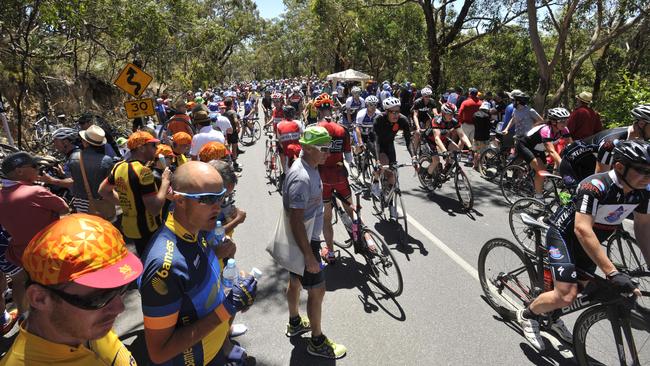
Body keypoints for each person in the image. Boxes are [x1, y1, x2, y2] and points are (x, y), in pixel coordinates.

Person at [518, 140, 650, 351]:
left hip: (589, 243)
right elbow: (582, 230)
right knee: (567, 294)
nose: (647, 177)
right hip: (564, 236)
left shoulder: (642, 192)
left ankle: (552, 314)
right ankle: (528, 314)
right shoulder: (595, 186)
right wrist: (612, 272)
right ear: (619, 167)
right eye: (642, 171)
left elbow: (643, 229)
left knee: (590, 290)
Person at [138, 161, 258, 365]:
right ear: (180, 199)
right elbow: (159, 352)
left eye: (221, 196)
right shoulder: (164, 266)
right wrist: (228, 307)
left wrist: (235, 288)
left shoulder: (197, 229)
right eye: (208, 199)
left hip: (215, 349)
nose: (218, 205)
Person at [0, 214, 141, 365]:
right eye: (100, 297)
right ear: (39, 298)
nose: (119, 307)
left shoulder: (86, 326)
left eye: (121, 288)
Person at [282, 126, 347, 359]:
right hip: (306, 240)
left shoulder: (311, 166)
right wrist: (309, 255)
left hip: (300, 239)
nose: (328, 153)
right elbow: (296, 219)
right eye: (323, 148)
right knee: (317, 291)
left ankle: (295, 322)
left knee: (294, 280)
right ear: (307, 148)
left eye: (330, 148)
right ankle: (317, 342)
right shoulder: (302, 176)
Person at [0, 152, 70, 320]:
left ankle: (26, 316)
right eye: (34, 167)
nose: (37, 170)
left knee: (26, 283)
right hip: (49, 250)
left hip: (22, 254)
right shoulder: (35, 191)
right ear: (19, 171)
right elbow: (64, 208)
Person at [98, 131, 169, 255]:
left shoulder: (118, 166)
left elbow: (103, 191)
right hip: (149, 228)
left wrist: (128, 203)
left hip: (130, 228)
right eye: (152, 146)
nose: (156, 149)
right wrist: (165, 182)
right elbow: (154, 209)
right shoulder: (143, 171)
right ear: (141, 148)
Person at [317, 104, 354, 264]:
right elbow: (348, 156)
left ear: (318, 112)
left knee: (326, 218)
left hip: (323, 177)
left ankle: (330, 253)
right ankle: (363, 238)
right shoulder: (341, 129)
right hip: (340, 175)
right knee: (350, 209)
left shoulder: (316, 129)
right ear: (331, 112)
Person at [371, 97, 414, 218]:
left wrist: (414, 157)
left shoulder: (403, 120)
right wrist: (378, 161)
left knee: (392, 175)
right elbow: (376, 141)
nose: (395, 114)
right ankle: (375, 182)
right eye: (392, 112)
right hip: (376, 143)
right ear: (386, 111)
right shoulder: (379, 119)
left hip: (389, 144)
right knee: (383, 165)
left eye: (397, 111)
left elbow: (408, 140)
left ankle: (390, 204)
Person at [516, 107, 572, 198]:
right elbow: (551, 151)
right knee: (541, 170)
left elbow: (571, 145)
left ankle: (533, 181)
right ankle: (538, 196)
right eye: (562, 121)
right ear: (554, 122)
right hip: (524, 146)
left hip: (538, 148)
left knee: (543, 170)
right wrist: (563, 166)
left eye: (566, 120)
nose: (565, 123)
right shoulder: (546, 130)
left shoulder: (564, 129)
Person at [65, 125, 115, 214]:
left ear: (85, 142)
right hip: (102, 204)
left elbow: (73, 179)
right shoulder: (107, 161)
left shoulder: (73, 158)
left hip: (80, 204)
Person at [419, 102, 472, 182]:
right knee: (436, 160)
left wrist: (471, 147)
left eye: (453, 114)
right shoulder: (437, 120)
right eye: (450, 114)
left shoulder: (454, 121)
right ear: (443, 113)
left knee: (457, 151)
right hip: (430, 140)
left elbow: (462, 135)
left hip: (443, 138)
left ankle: (445, 170)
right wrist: (444, 151)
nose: (452, 116)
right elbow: (437, 138)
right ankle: (428, 176)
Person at [595, 104, 650, 173]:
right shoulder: (611, 143)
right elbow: (599, 178)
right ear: (641, 124)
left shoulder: (643, 138)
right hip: (583, 166)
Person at [457, 87, 482, 163]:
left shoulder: (466, 102)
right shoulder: (481, 103)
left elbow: (460, 113)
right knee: (472, 142)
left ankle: (458, 155)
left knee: (462, 140)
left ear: (470, 94)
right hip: (476, 125)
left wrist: (460, 122)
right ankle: (470, 157)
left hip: (466, 124)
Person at [277, 105, 304, 174]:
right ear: (294, 114)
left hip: (286, 152)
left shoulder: (279, 124)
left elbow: (280, 140)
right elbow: (303, 136)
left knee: (287, 172)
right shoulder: (298, 123)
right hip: (298, 150)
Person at [411, 87, 437, 155]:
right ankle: (414, 152)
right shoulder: (418, 102)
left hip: (425, 116)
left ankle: (426, 144)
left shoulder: (432, 101)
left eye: (429, 96)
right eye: (426, 96)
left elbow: (435, 113)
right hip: (417, 116)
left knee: (428, 125)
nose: (427, 98)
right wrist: (418, 127)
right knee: (417, 133)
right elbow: (415, 115)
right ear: (422, 96)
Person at [472, 102, 493, 170]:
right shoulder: (486, 116)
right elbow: (489, 127)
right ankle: (480, 166)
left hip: (476, 136)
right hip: (484, 137)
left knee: (476, 151)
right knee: (482, 152)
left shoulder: (475, 114)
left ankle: (475, 165)